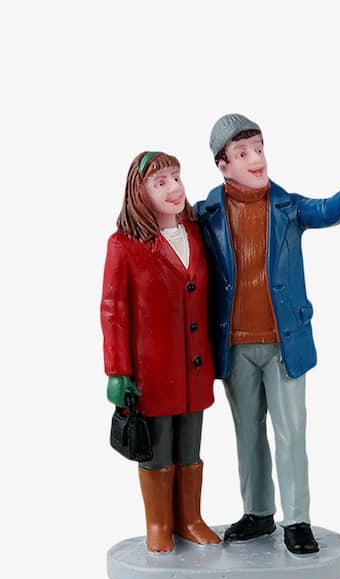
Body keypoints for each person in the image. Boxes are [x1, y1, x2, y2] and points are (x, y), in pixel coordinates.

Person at [195, 114, 340, 554]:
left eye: (259, 148)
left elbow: (325, 210)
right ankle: (258, 512)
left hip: (283, 343)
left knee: (291, 432)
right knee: (247, 433)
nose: (256, 159)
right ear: (223, 165)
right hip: (235, 344)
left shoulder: (287, 208)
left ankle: (297, 519)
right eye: (242, 153)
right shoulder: (206, 215)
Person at [101, 151, 221, 552]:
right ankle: (159, 523)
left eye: (176, 177)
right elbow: (113, 311)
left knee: (190, 446)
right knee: (156, 448)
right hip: (151, 371)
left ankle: (189, 519)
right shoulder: (124, 245)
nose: (174, 188)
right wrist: (117, 371)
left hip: (195, 367)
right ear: (140, 192)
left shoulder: (195, 234)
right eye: (161, 182)